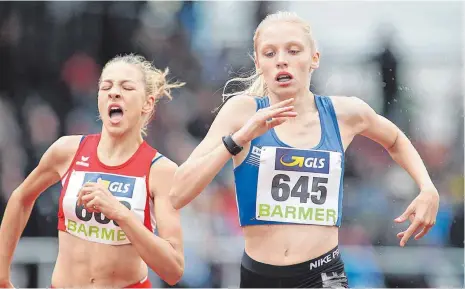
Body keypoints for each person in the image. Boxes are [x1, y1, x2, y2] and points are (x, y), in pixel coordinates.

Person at [169, 11, 440, 288]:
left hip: (323, 275)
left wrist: (426, 186)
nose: (281, 60)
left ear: (314, 59)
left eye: (293, 50)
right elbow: (178, 193)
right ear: (259, 63)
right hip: (260, 277)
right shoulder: (242, 113)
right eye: (270, 53)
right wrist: (238, 139)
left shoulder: (344, 113)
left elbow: (395, 139)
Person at [0, 54, 185, 288]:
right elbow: (20, 198)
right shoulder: (66, 150)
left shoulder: (162, 170)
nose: (114, 92)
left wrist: (121, 213)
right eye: (106, 86)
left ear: (148, 103)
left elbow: (173, 270)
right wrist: (2, 272)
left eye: (126, 87)